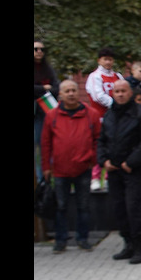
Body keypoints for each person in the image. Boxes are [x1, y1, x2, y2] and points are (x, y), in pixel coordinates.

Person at [97, 79, 141, 264]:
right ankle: (128, 244)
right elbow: (101, 141)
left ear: (130, 93)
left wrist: (131, 162)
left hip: (133, 170)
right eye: (117, 91)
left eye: (124, 91)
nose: (121, 94)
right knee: (119, 208)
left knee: (135, 208)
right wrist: (104, 160)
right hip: (113, 170)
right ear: (113, 94)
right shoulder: (109, 115)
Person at [41, 79, 101, 253]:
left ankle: (83, 239)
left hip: (84, 168)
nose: (71, 94)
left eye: (74, 90)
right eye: (67, 91)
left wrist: (93, 159)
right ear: (60, 95)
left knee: (84, 206)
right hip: (60, 170)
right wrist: (46, 166)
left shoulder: (92, 114)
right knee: (61, 206)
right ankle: (60, 241)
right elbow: (45, 143)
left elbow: (98, 139)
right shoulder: (51, 116)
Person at [86, 47, 125, 191]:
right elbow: (98, 96)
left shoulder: (118, 76)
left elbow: (125, 91)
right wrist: (116, 104)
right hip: (100, 117)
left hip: (116, 118)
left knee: (114, 147)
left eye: (110, 59)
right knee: (98, 147)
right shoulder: (95, 76)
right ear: (99, 60)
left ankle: (110, 176)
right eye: (105, 59)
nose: (108, 62)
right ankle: (95, 177)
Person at [34, 39, 59, 182]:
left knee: (44, 144)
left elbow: (56, 88)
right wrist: (44, 88)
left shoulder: (48, 69)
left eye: (42, 50)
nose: (39, 52)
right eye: (36, 49)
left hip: (45, 111)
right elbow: (48, 88)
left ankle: (45, 178)